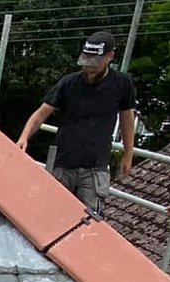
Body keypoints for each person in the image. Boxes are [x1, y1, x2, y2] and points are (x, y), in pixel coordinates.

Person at [15, 31, 137, 217]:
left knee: (90, 220)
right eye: (87, 62)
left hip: (96, 167)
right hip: (64, 164)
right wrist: (24, 137)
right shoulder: (68, 83)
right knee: (50, 215)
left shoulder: (121, 84)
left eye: (95, 63)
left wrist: (128, 154)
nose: (90, 68)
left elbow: (127, 119)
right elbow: (40, 114)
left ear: (110, 56)